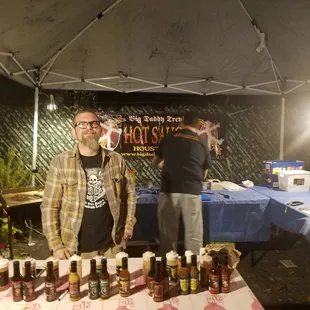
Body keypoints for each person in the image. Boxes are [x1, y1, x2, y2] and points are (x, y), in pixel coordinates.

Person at [41, 109, 137, 259]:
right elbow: (49, 206)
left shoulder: (116, 159)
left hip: (112, 248)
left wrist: (128, 226)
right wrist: (56, 245)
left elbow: (130, 195)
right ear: (73, 131)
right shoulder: (61, 162)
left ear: (100, 130)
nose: (89, 128)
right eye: (82, 124)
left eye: (94, 124)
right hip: (74, 250)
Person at [152, 112, 212, 255]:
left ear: (181, 123)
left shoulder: (168, 138)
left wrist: (166, 164)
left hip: (169, 190)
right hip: (192, 192)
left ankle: (167, 269)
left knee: (167, 236)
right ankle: (193, 270)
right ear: (197, 125)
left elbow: (155, 162)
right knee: (194, 237)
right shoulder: (202, 143)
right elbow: (204, 174)